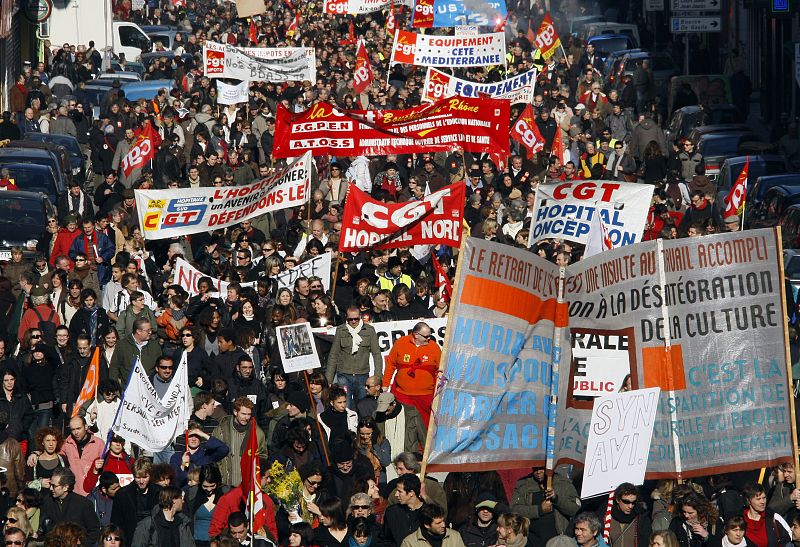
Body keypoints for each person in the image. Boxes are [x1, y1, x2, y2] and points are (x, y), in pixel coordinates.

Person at [382, 322, 440, 426]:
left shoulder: (434, 347)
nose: (428, 339)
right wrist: (385, 384)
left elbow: (439, 371)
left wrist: (438, 392)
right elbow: (390, 365)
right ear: (416, 335)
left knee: (424, 425)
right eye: (426, 336)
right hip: (403, 394)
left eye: (430, 336)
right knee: (405, 424)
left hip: (425, 396)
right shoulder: (400, 343)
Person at [326, 306, 383, 409]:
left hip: (362, 375)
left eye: (356, 319)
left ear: (360, 317)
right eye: (350, 319)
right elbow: (333, 355)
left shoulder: (369, 330)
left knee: (361, 406)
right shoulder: (341, 330)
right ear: (346, 318)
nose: (353, 321)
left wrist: (378, 376)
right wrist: (328, 379)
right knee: (344, 406)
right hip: (344, 375)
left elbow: (377, 354)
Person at [211, 396, 267, 486]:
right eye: (243, 414)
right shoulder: (221, 430)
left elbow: (263, 457)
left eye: (249, 414)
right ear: (235, 412)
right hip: (225, 484)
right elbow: (213, 455)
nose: (246, 417)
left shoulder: (258, 433)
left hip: (248, 486)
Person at [40, 467, 101, 545]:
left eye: (54, 486)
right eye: (50, 484)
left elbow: (94, 530)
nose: (51, 488)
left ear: (66, 487)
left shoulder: (83, 504)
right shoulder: (47, 501)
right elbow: (43, 527)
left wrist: (81, 544)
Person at [373, 393, 426, 481]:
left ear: (394, 403)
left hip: (408, 463)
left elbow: (423, 437)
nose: (385, 413)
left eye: (387, 410)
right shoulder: (377, 416)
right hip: (387, 464)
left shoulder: (411, 413)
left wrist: (424, 460)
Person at [111, 458, 162, 542]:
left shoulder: (160, 492)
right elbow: (116, 522)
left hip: (154, 539)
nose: (141, 481)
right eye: (138, 477)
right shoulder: (122, 494)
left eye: (145, 477)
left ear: (150, 475)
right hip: (131, 539)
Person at [131, 485, 195, 547]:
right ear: (173, 500)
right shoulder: (148, 524)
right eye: (181, 498)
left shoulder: (183, 523)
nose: (183, 501)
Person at [381, 474, 426, 547]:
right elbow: (385, 539)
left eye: (399, 491)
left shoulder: (428, 513)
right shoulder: (392, 512)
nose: (396, 494)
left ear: (411, 493)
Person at [605, 483, 652, 547]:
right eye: (626, 502)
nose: (630, 506)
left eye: (633, 502)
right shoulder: (605, 516)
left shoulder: (642, 518)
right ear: (617, 500)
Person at [400, 503, 464, 547]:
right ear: (427, 525)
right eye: (438, 523)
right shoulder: (410, 543)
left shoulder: (455, 537)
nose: (443, 525)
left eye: (443, 521)